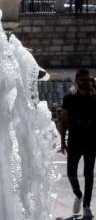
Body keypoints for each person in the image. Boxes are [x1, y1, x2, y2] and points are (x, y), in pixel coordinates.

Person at [60, 68, 96, 218]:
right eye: (82, 80)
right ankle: (78, 194)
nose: (85, 82)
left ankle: (87, 205)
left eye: (87, 80)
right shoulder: (69, 98)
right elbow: (63, 120)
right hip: (74, 142)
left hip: (91, 142)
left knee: (89, 175)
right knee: (71, 174)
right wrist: (62, 140)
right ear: (76, 81)